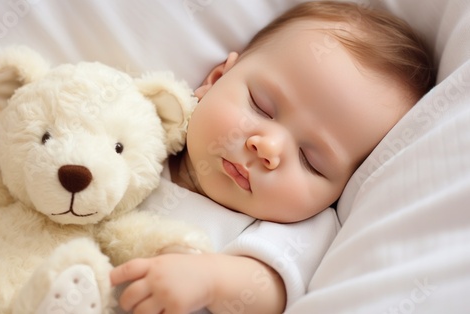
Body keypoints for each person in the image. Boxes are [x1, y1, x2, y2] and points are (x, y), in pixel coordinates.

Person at [110, 1, 435, 313]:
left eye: (310, 160)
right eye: (261, 106)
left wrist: (210, 280)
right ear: (216, 79)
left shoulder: (295, 229)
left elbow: (269, 291)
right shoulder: (144, 142)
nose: (267, 147)